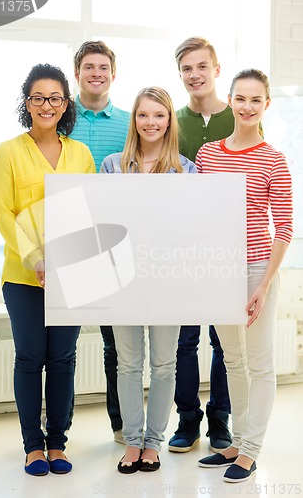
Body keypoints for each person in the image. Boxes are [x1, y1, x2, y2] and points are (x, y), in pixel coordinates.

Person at [0, 63, 96, 476]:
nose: (46, 105)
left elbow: (88, 213)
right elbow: (4, 212)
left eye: (55, 97)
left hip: (71, 275)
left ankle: (58, 444)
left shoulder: (81, 154)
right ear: (27, 103)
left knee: (64, 359)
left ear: (66, 103)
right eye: (38, 97)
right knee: (30, 358)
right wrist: (35, 259)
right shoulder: (9, 152)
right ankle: (33, 446)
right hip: (23, 277)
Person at [197, 69, 293, 482]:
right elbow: (197, 217)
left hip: (257, 270)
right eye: (241, 98)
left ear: (266, 105)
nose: (248, 107)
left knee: (260, 363)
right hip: (219, 269)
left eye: (256, 100)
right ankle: (236, 442)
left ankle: (251, 450)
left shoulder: (274, 159)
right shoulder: (207, 155)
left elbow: (284, 227)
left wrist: (264, 285)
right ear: (230, 101)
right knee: (232, 360)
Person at [101, 86, 197, 473]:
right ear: (134, 120)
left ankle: (153, 443)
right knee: (127, 364)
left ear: (169, 120)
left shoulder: (185, 169)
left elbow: (192, 227)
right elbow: (104, 223)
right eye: (144, 115)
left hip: (167, 280)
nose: (151, 122)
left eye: (159, 115)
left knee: (163, 365)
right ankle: (132, 440)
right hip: (122, 280)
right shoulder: (112, 166)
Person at [168, 36, 234, 454]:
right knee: (185, 340)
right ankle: (187, 419)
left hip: (226, 246)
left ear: (216, 69)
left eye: (201, 67)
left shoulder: (241, 116)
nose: (194, 75)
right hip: (181, 247)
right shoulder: (173, 121)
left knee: (223, 340)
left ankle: (220, 422)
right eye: (186, 69)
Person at [69, 40, 130, 444]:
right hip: (67, 239)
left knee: (115, 344)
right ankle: (57, 432)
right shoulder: (59, 115)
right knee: (62, 344)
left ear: (113, 73)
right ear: (77, 73)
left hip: (114, 244)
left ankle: (121, 424)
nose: (96, 73)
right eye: (88, 67)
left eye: (103, 67)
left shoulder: (129, 122)